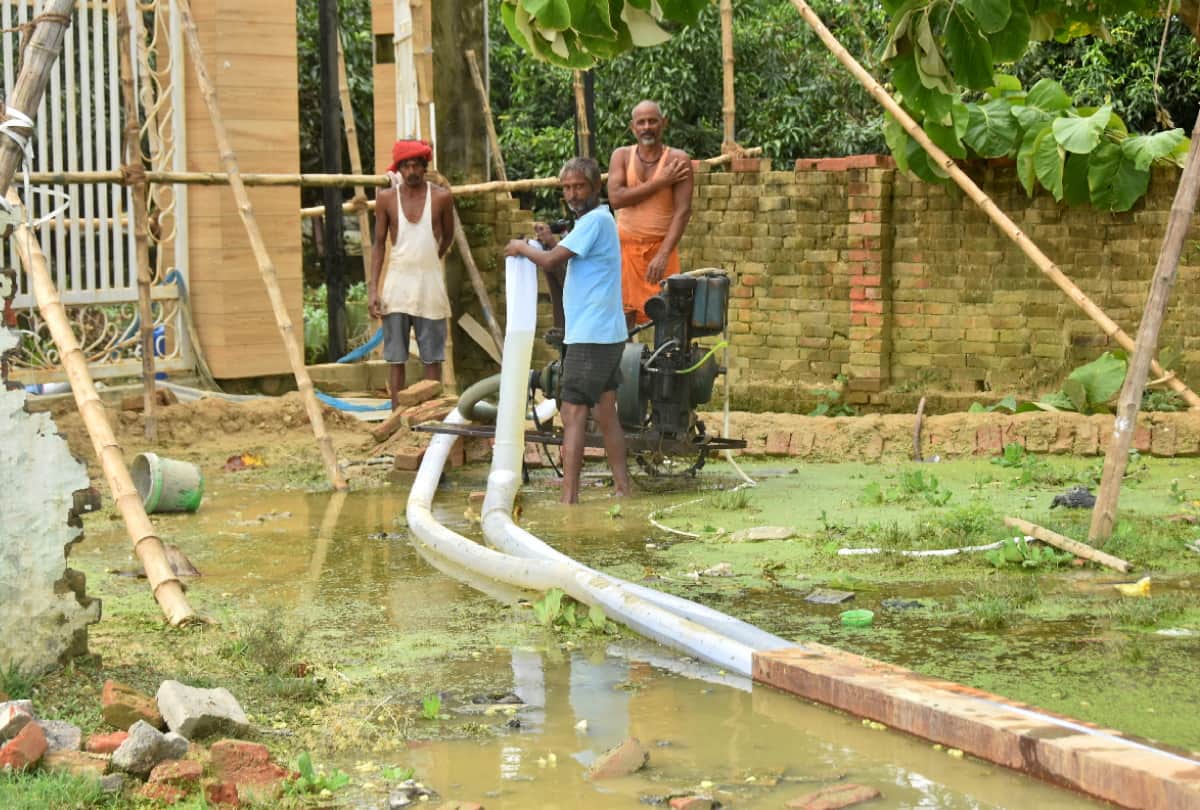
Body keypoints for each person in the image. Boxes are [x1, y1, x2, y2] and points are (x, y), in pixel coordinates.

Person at [505, 157, 632, 504]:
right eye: (566, 188)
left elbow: (549, 262)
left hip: (591, 335)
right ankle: (622, 488)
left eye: (579, 187)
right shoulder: (593, 223)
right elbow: (560, 258)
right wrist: (548, 241)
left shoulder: (594, 220)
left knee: (572, 413)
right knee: (606, 412)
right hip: (604, 333)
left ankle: (569, 500)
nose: (572, 194)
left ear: (595, 189)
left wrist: (520, 248)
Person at [368, 140, 455, 409]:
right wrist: (373, 290)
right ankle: (398, 416)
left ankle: (430, 415)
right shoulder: (385, 199)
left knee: (432, 359)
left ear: (424, 166)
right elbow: (379, 243)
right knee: (396, 358)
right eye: (406, 165)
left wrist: (431, 260)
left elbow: (448, 236)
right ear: (399, 169)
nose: (412, 170)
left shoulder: (441, 197)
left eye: (417, 164)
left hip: (430, 288)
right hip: (396, 288)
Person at [607, 100, 693, 328]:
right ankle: (621, 364)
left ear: (663, 123)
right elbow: (616, 199)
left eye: (652, 121)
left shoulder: (677, 160)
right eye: (641, 122)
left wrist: (663, 254)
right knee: (622, 320)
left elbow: (683, 212)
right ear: (632, 127)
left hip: (661, 252)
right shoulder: (622, 156)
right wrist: (659, 182)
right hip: (624, 253)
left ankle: (665, 363)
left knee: (668, 317)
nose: (647, 127)